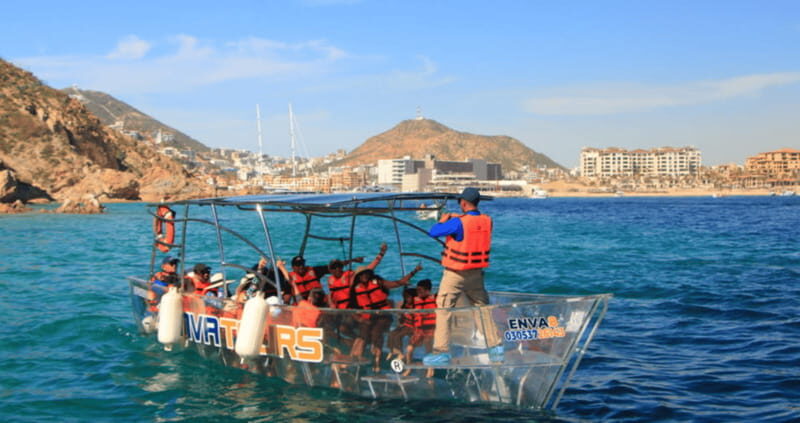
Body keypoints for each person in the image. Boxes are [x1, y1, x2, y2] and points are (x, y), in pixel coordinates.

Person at [423, 187, 503, 365]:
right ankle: (496, 348)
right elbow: (472, 226)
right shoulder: (487, 221)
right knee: (482, 309)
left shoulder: (458, 223)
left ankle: (441, 352)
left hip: (455, 273)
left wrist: (444, 219)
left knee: (444, 309)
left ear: (464, 203)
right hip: (476, 274)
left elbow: (433, 231)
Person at [348, 263, 422, 372]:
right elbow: (351, 308)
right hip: (369, 317)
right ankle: (361, 360)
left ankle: (377, 360)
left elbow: (398, 283)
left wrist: (414, 272)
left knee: (376, 333)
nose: (364, 276)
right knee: (364, 334)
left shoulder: (377, 282)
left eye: (366, 273)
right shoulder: (356, 289)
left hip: (384, 315)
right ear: (358, 277)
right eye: (361, 274)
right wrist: (360, 319)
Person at [278, 255, 365, 303]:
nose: (301, 266)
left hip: (320, 302)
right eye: (298, 265)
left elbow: (333, 267)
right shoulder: (290, 279)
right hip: (303, 304)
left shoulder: (314, 271)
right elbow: (287, 297)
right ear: (293, 267)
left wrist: (353, 260)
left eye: (302, 264)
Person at [409, 279, 436, 375]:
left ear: (427, 290)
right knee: (409, 348)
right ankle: (409, 367)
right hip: (419, 329)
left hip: (431, 328)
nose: (418, 292)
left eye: (420, 290)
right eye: (417, 290)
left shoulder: (435, 299)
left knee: (429, 347)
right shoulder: (415, 300)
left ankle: (430, 371)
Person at [387, 287, 416, 361]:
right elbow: (402, 319)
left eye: (408, 297)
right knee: (391, 333)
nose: (406, 299)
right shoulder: (405, 306)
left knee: (398, 336)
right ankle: (392, 350)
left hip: (412, 327)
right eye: (405, 297)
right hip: (405, 325)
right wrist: (400, 317)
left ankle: (400, 352)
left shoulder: (415, 307)